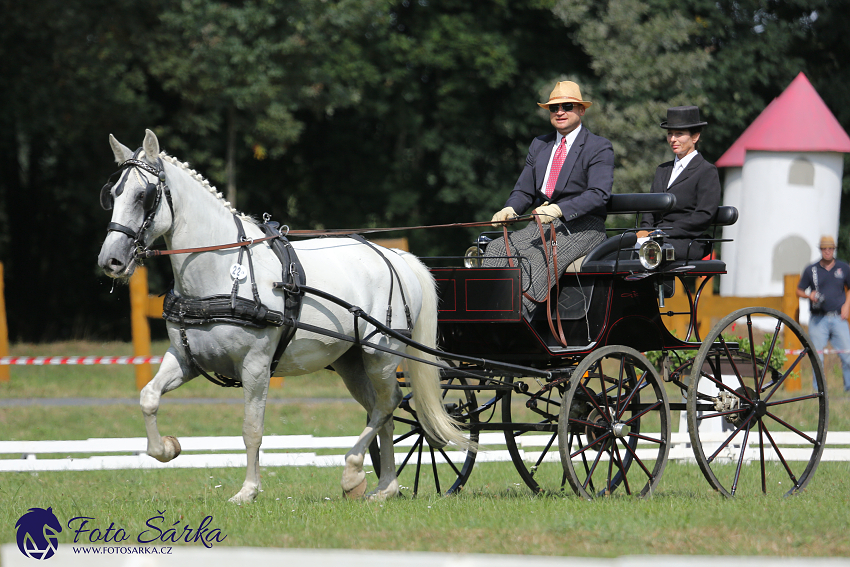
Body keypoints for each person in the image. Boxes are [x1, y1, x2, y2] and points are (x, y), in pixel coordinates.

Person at [482, 80, 614, 316]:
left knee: (533, 259)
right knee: (495, 248)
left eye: (567, 106)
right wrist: (510, 208)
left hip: (584, 226)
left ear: (581, 110)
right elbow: (524, 190)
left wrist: (559, 209)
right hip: (543, 225)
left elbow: (598, 194)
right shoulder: (539, 145)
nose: (560, 112)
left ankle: (520, 320)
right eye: (554, 108)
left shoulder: (598, 147)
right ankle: (486, 313)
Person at [638, 106, 721, 260]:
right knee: (619, 251)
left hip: (686, 240)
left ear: (695, 137)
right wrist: (645, 231)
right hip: (656, 238)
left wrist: (665, 231)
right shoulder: (662, 170)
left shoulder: (706, 171)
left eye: (679, 134)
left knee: (652, 254)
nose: (672, 139)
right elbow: (649, 209)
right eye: (670, 134)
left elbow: (703, 215)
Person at [797, 235, 850, 393]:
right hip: (817, 319)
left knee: (847, 355)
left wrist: (847, 306)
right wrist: (809, 295)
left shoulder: (843, 268)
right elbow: (799, 290)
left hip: (838, 318)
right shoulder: (811, 269)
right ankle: (818, 392)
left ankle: (848, 390)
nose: (827, 251)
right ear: (820, 250)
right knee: (817, 357)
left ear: (834, 250)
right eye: (824, 248)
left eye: (830, 248)